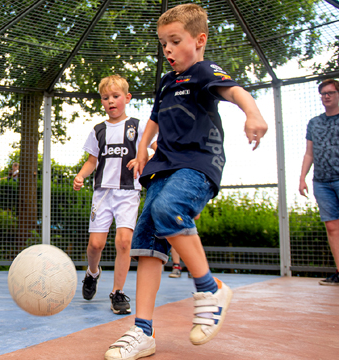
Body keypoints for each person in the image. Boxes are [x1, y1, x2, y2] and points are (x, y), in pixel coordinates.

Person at [104, 4, 268, 359]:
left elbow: (235, 91)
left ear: (199, 40)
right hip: (163, 165)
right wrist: (143, 147)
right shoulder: (166, 82)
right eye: (164, 44)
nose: (168, 51)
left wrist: (253, 113)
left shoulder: (204, 71)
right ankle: (142, 331)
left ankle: (211, 288)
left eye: (175, 42)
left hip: (197, 164)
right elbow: (153, 118)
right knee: (147, 242)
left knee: (168, 209)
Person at [73, 74, 156, 315]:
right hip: (102, 194)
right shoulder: (98, 130)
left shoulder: (138, 126)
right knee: (95, 245)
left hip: (128, 192)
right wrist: (81, 175)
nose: (111, 101)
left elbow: (152, 150)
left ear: (127, 98)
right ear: (102, 102)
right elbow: (92, 160)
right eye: (106, 98)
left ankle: (117, 292)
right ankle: (92, 273)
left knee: (123, 242)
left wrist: (145, 159)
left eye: (116, 96)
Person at [299, 78, 339, 286]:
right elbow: (309, 153)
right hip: (322, 182)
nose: (327, 96)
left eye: (331, 92)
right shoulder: (314, 123)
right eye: (323, 93)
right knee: (332, 227)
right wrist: (302, 178)